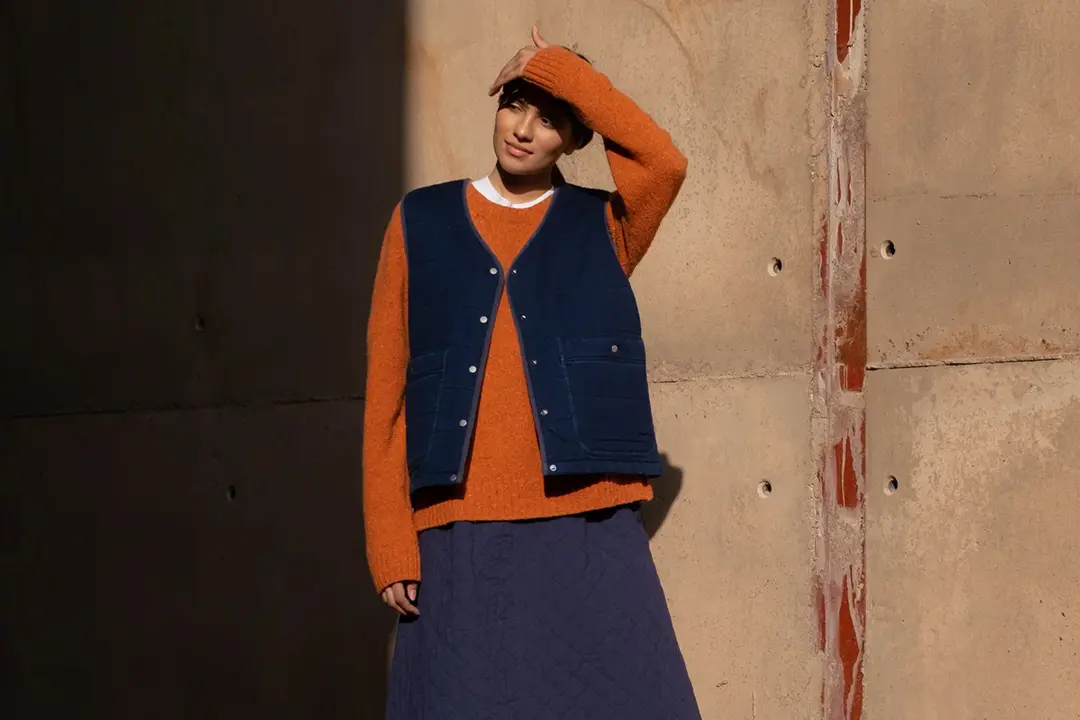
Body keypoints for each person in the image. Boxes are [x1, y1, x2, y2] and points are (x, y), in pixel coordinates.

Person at [363, 25, 700, 719]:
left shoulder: (604, 225)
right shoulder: (419, 221)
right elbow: (386, 395)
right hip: (456, 527)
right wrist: (391, 540)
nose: (522, 130)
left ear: (574, 141)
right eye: (515, 105)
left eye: (550, 120)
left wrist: (559, 71)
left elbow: (662, 162)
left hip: (586, 520)